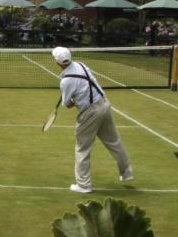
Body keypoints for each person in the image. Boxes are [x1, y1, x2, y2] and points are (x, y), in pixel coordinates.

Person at [53, 46, 133, 194]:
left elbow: (67, 105)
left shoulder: (65, 81)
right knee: (114, 142)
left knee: (82, 148)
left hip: (90, 113)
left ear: (57, 62)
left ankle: (83, 186)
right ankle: (127, 173)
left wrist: (73, 99)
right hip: (104, 104)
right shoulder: (81, 65)